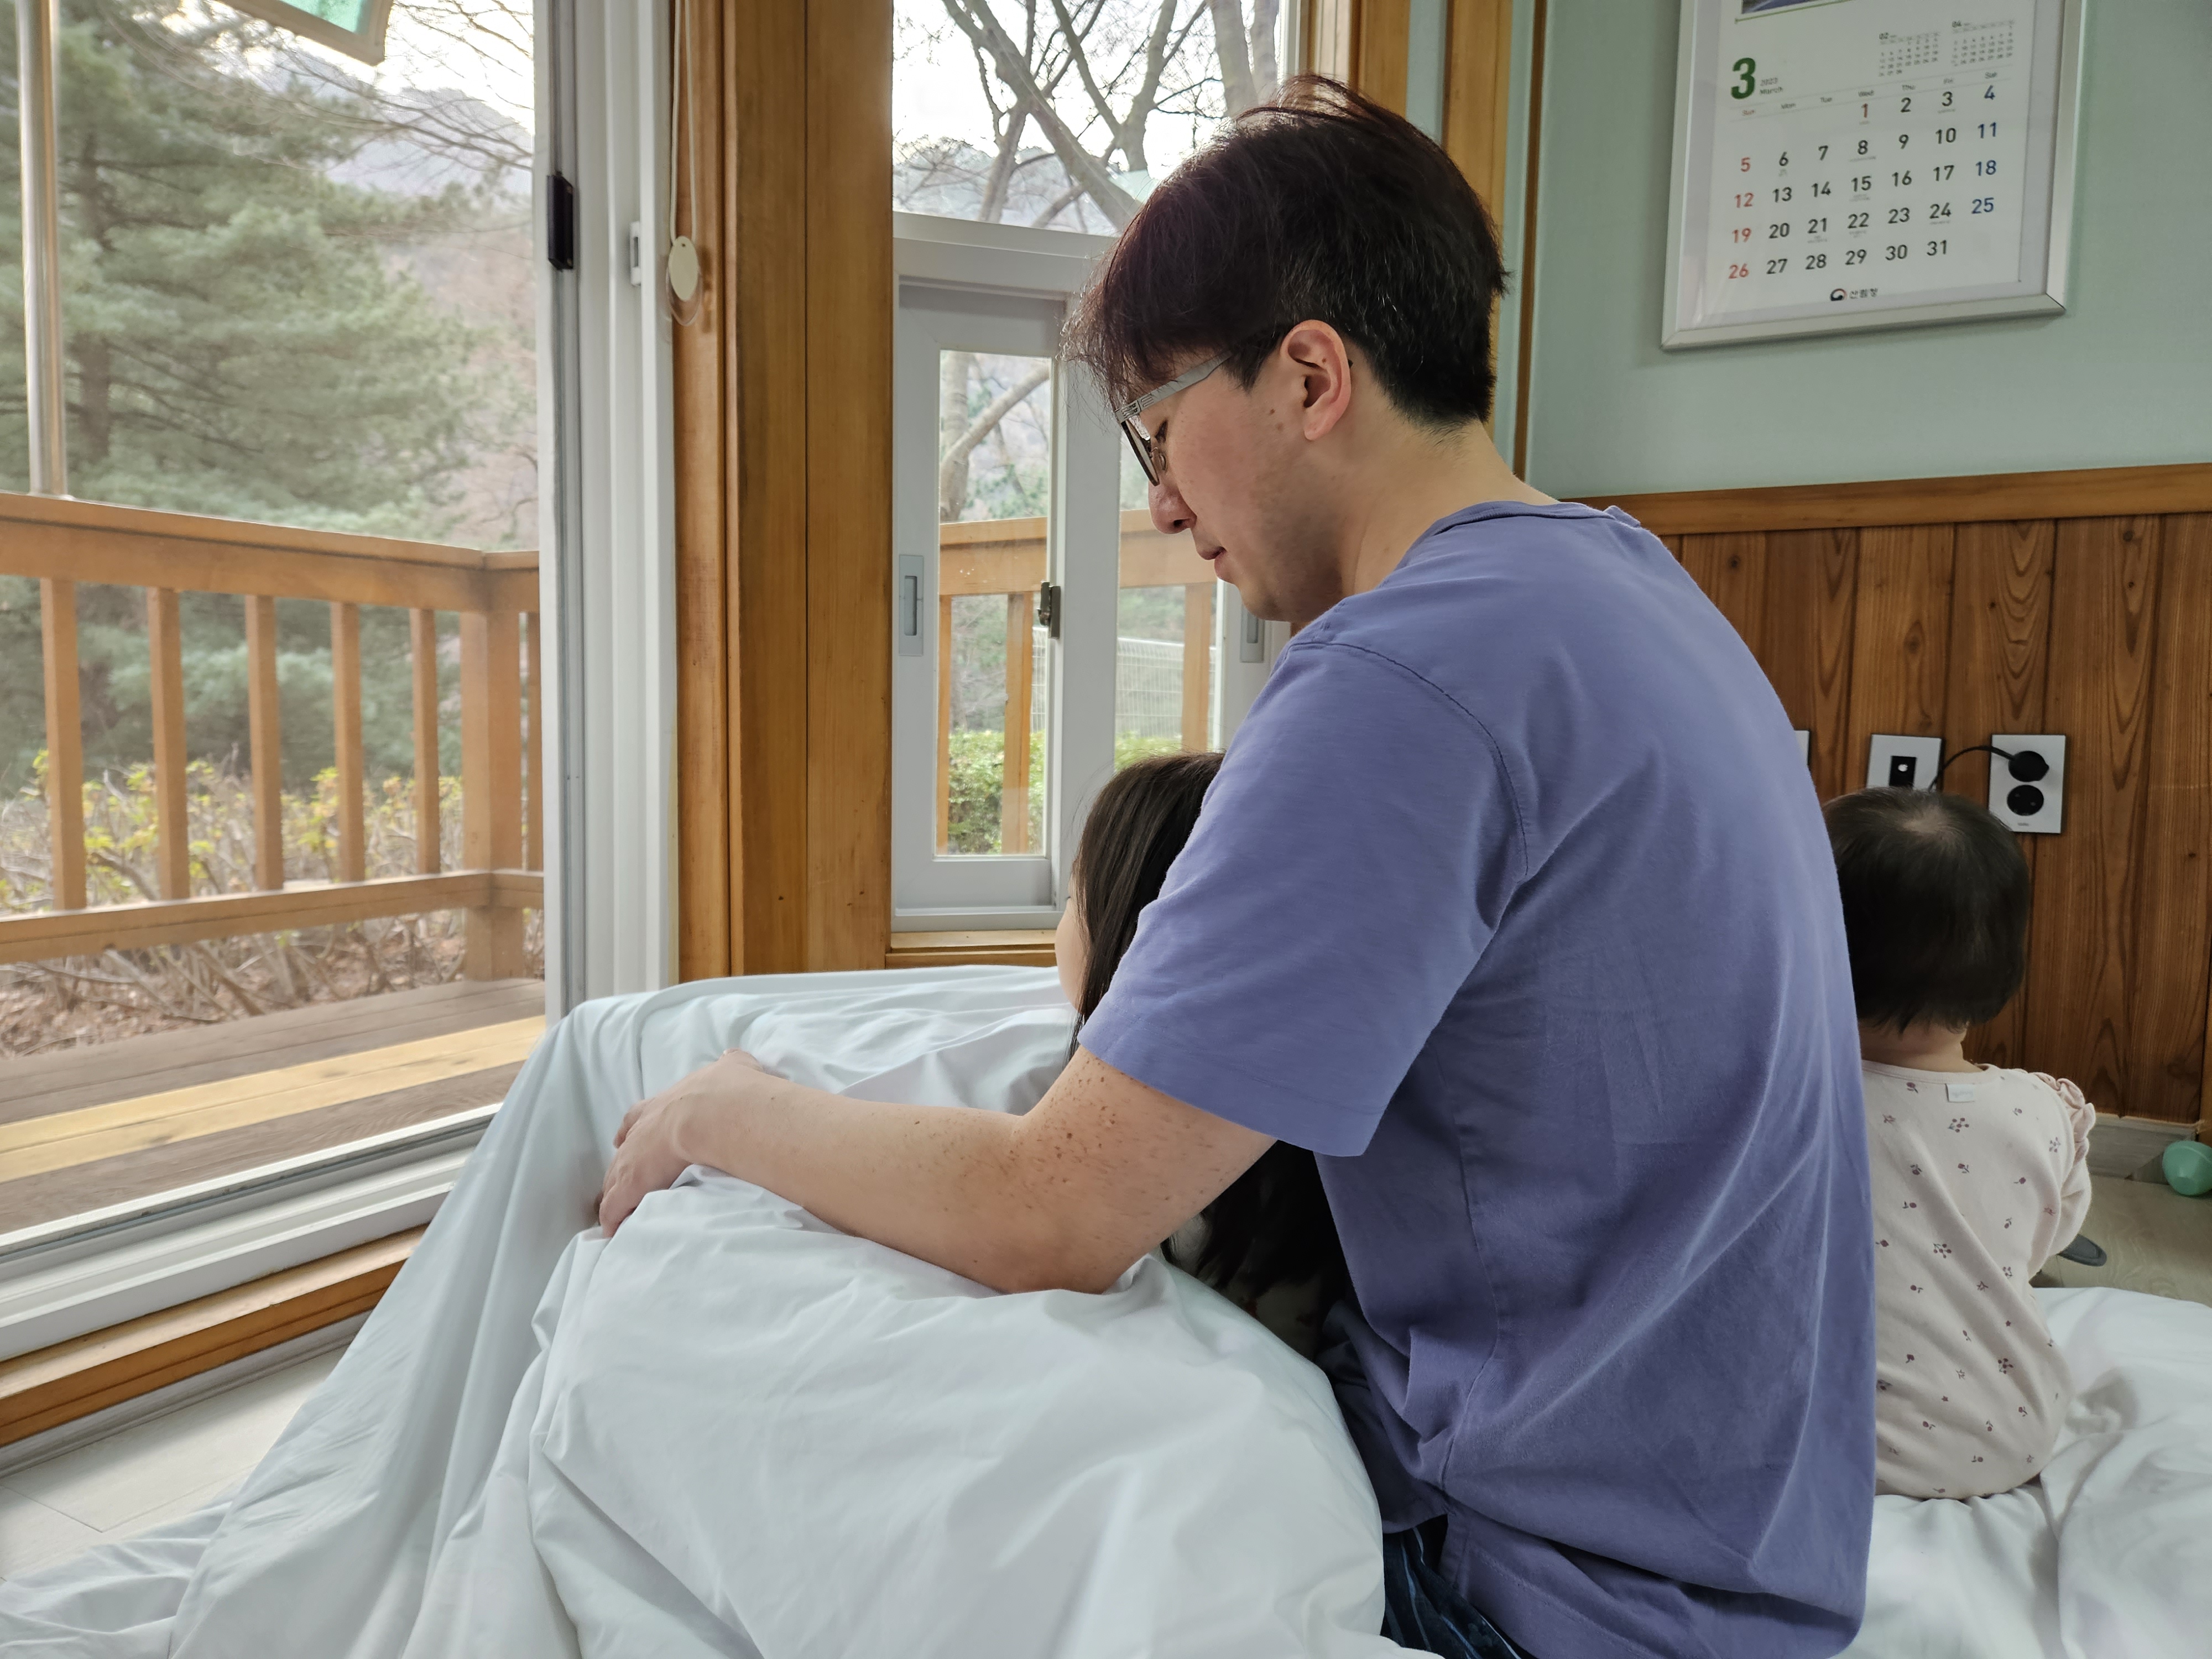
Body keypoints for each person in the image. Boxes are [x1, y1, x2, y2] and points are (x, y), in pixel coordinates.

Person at [601, 77, 1875, 1659]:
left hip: (1557, 1596)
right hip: (1751, 1555)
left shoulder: (1401, 676)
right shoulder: (1638, 592)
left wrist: (722, 1112)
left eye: (1158, 430)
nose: (1159, 503)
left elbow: (1052, 1215)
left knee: (729, 1386)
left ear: (1310, 377)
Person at [1825, 786, 2094, 1500]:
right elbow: (2040, 1242)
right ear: (2005, 970)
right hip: (2015, 1433)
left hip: (1835, 1444)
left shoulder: (1787, 1104)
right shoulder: (2044, 1110)